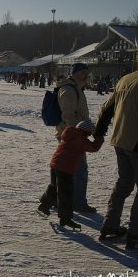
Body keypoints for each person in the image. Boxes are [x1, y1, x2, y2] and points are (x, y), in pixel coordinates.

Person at [95, 46, 138, 248]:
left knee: (124, 184)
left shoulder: (126, 79)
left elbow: (106, 108)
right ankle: (137, 232)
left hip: (120, 140)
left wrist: (99, 131)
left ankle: (110, 225)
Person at [38, 120, 104, 231]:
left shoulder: (69, 132)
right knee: (66, 193)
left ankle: (44, 204)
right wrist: (99, 137)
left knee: (54, 186)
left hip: (55, 164)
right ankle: (65, 218)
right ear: (87, 132)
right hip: (66, 168)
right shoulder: (80, 140)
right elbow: (94, 148)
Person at [56, 63, 96, 213]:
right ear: (75, 73)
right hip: (71, 135)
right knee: (80, 170)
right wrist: (74, 136)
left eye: (87, 72)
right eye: (83, 72)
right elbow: (68, 116)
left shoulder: (77, 88)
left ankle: (60, 199)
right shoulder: (69, 90)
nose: (86, 74)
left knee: (70, 169)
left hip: (74, 134)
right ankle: (78, 203)